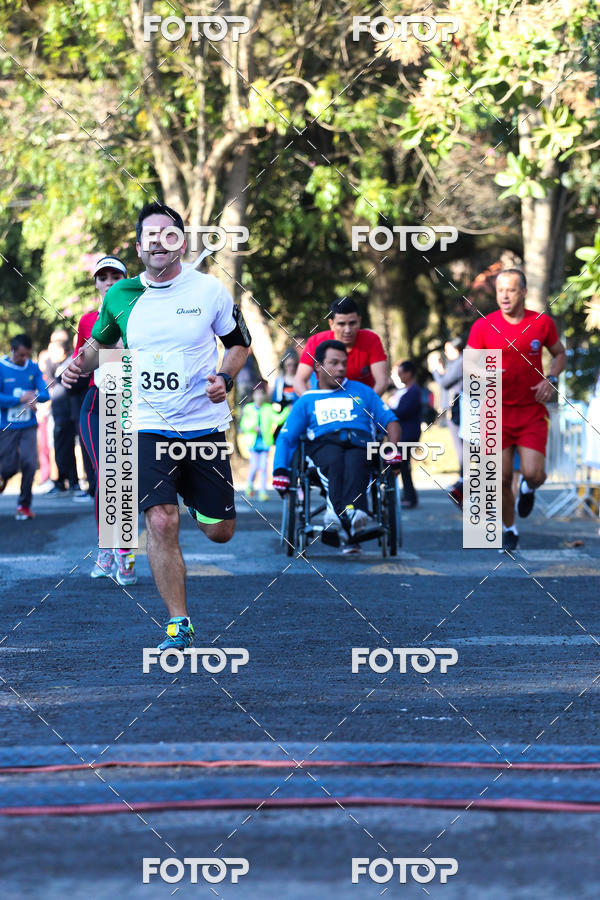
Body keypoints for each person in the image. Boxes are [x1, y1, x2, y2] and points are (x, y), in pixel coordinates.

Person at [61, 201, 251, 650]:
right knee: (161, 521)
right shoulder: (120, 296)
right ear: (141, 246)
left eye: (168, 235)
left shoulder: (209, 292)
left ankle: (194, 493)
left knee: (219, 531)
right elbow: (98, 344)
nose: (159, 243)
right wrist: (77, 365)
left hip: (202, 426)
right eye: (151, 236)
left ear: (180, 243)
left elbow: (239, 345)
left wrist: (224, 378)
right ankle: (178, 623)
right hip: (144, 422)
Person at [467, 268, 566, 551]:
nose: (505, 296)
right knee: (500, 478)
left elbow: (559, 353)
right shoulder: (484, 326)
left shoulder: (542, 323)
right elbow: (470, 364)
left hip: (531, 411)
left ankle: (528, 489)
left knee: (534, 473)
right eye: (500, 290)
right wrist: (485, 373)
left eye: (511, 289)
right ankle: (509, 528)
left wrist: (552, 378)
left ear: (523, 292)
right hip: (495, 414)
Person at [273, 340, 402, 550]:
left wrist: (394, 449)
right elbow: (287, 437)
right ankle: (347, 514)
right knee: (334, 458)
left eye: (344, 363)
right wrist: (280, 470)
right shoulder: (307, 400)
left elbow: (391, 422)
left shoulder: (364, 392)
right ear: (318, 366)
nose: (341, 368)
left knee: (357, 459)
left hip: (360, 444)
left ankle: (347, 514)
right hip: (323, 447)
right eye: (334, 363)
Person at [73, 255, 138, 584]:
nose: (109, 281)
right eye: (103, 276)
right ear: (96, 283)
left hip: (132, 404)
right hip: (97, 403)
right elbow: (79, 365)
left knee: (126, 477)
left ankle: (123, 550)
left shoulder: (141, 313)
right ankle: (108, 548)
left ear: (125, 280)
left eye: (116, 275)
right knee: (104, 476)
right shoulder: (87, 321)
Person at [293, 298, 389, 396]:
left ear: (359, 321)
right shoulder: (316, 342)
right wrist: (312, 404)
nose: (347, 330)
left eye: (352, 323)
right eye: (341, 324)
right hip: (326, 404)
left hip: (362, 402)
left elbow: (382, 381)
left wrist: (367, 405)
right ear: (331, 324)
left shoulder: (371, 339)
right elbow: (299, 381)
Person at [0, 334, 50, 519]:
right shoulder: (2, 368)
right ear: (12, 351)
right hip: (7, 426)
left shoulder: (33, 367)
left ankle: (24, 505)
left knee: (29, 463)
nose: (24, 359)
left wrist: (35, 397)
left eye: (27, 355)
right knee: (9, 467)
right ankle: (3, 477)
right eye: (21, 355)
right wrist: (17, 399)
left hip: (28, 425)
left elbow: (46, 393)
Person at [44, 332, 82, 496]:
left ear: (64, 350)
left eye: (55, 351)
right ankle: (62, 481)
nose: (51, 355)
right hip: (58, 413)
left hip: (68, 414)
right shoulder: (56, 365)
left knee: (66, 449)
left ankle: (71, 481)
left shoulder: (70, 364)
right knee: (60, 449)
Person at [431, 338, 464, 505]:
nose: (445, 353)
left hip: (458, 410)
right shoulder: (455, 363)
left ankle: (464, 480)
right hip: (455, 408)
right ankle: (463, 480)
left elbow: (444, 382)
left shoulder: (460, 362)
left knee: (461, 446)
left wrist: (436, 369)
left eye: (448, 349)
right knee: (459, 446)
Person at [240, 382, 281, 500]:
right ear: (253, 395)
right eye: (257, 394)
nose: (259, 396)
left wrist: (287, 411)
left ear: (264, 396)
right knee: (254, 467)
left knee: (263, 467)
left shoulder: (268, 408)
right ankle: (250, 486)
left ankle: (263, 492)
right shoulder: (249, 408)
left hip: (265, 442)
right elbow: (244, 424)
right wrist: (252, 427)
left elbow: (277, 419)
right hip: (253, 443)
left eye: (262, 394)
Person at [389, 360, 421, 509]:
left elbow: (403, 412)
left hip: (408, 434)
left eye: (401, 373)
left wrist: (386, 413)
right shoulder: (404, 391)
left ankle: (410, 497)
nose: (399, 376)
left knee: (403, 466)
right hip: (404, 434)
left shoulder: (413, 392)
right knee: (403, 466)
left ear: (408, 373)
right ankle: (408, 495)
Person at [272, 352, 298, 438]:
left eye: (294, 365)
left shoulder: (300, 380)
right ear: (284, 365)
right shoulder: (279, 381)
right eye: (289, 365)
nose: (291, 368)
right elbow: (275, 400)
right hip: (283, 417)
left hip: (297, 414)